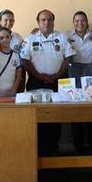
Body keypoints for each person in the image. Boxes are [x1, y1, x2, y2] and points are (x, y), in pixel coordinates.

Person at [21, 10, 75, 154]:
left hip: (58, 81)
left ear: (53, 21)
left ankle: (53, 147)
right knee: (38, 115)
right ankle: (39, 147)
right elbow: (25, 60)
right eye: (43, 20)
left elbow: (68, 58)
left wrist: (57, 74)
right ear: (38, 22)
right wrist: (38, 75)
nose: (46, 22)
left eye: (49, 19)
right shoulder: (30, 38)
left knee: (55, 115)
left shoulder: (62, 37)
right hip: (35, 82)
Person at [68, 11, 92, 152]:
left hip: (91, 77)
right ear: (73, 23)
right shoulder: (67, 37)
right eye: (77, 21)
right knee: (75, 110)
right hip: (74, 76)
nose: (80, 23)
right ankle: (77, 143)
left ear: (87, 22)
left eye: (83, 20)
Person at [0, 26, 23, 99]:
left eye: (7, 37)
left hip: (10, 95)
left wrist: (13, 91)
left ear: (11, 37)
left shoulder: (16, 55)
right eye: (1, 38)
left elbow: (18, 76)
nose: (5, 39)